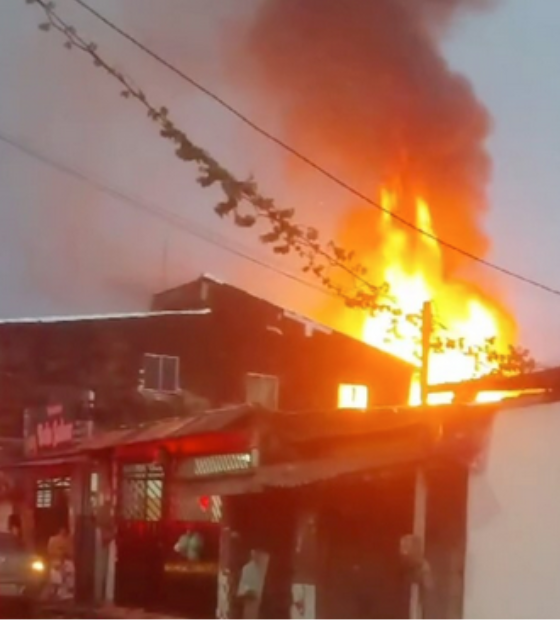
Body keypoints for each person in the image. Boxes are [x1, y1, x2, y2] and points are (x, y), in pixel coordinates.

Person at [47, 526, 74, 601]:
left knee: (68, 573)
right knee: (58, 577)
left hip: (62, 561)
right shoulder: (54, 540)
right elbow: (50, 552)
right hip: (57, 561)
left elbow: (70, 552)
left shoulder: (67, 540)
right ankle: (57, 592)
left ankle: (61, 592)